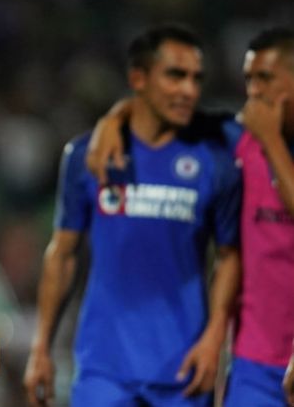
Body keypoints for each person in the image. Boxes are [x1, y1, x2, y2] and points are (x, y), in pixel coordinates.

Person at [24, 25, 241, 407]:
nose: (189, 90)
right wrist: (40, 346)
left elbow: (229, 256)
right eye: (175, 75)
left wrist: (213, 341)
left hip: (184, 369)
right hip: (103, 368)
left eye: (196, 78)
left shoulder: (214, 158)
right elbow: (62, 253)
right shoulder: (87, 156)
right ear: (138, 78)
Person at [86, 28, 294, 406]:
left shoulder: (263, 139)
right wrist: (114, 119)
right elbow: (158, 109)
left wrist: (275, 144)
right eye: (248, 80)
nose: (253, 92)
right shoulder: (238, 141)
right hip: (256, 362)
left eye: (264, 78)